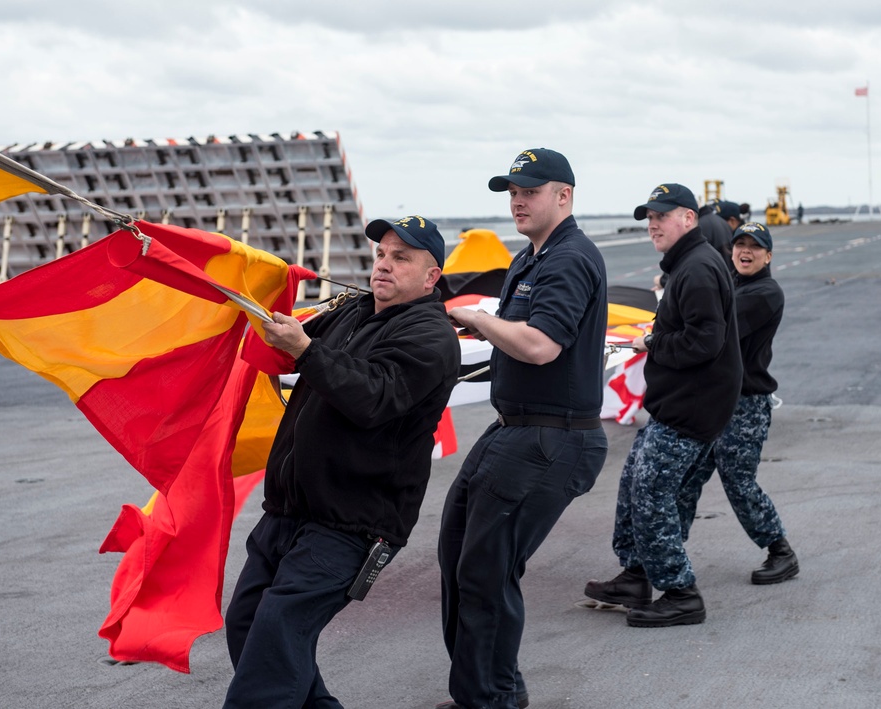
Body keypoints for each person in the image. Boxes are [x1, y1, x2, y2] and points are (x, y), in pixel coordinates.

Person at [222, 215, 461, 708]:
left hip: (353, 522)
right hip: (290, 509)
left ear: (431, 276)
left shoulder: (431, 337)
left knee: (276, 639)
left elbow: (373, 396)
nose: (384, 266)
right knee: (249, 624)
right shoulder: (352, 310)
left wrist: (306, 350)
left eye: (402, 258)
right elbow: (293, 341)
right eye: (380, 255)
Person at [438, 148, 609, 708]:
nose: (517, 199)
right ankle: (487, 689)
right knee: (459, 554)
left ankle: (492, 699)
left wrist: (477, 316)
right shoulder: (531, 257)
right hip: (515, 428)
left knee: (486, 572)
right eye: (512, 190)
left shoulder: (568, 259)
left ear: (564, 195)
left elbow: (540, 345)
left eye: (530, 190)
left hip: (551, 437)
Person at [584, 183, 742, 627]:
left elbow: (704, 342)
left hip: (691, 410)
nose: (653, 224)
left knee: (652, 495)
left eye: (661, 215)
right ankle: (635, 575)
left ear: (688, 218)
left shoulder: (696, 269)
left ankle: (680, 593)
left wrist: (652, 341)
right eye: (649, 217)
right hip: (678, 406)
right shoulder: (688, 264)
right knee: (634, 482)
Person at [677, 222, 799, 583]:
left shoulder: (765, 293)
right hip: (714, 402)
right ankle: (664, 553)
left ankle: (781, 551)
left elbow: (715, 323)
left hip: (745, 405)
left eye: (755, 247)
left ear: (768, 255)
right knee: (686, 478)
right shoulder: (732, 284)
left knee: (738, 481)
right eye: (739, 244)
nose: (745, 252)